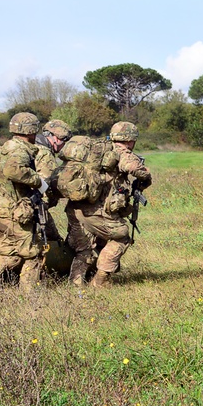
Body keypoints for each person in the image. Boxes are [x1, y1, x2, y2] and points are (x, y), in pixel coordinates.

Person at [66, 121, 152, 287]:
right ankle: (100, 281)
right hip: (98, 213)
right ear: (130, 140)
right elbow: (134, 167)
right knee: (122, 237)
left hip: (76, 209)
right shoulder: (121, 153)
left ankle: (75, 285)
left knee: (84, 249)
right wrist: (146, 178)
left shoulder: (95, 150)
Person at [0, 112, 47, 290]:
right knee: (32, 253)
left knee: (10, 253)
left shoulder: (3, 149)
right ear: (32, 131)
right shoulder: (20, 150)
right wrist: (38, 181)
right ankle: (29, 296)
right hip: (11, 211)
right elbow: (13, 170)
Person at [33, 119, 73, 243]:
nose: (64, 146)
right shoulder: (45, 155)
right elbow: (44, 186)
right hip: (34, 208)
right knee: (53, 241)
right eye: (64, 141)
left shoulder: (32, 147)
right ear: (56, 138)